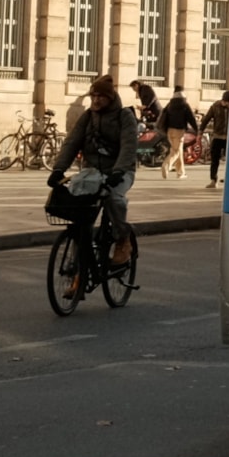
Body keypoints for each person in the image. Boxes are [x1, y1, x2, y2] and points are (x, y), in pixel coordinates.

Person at [49, 74, 139, 294]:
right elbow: (72, 142)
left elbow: (129, 146)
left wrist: (118, 171)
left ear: (110, 97)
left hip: (120, 171)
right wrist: (58, 169)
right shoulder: (88, 117)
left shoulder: (124, 116)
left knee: (114, 198)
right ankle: (79, 275)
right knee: (79, 215)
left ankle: (122, 238)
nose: (96, 100)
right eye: (93, 95)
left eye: (101, 96)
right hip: (91, 172)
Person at [159, 87, 198, 178]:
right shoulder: (184, 104)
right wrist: (196, 129)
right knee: (176, 152)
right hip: (179, 131)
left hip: (169, 130)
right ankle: (166, 165)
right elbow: (191, 118)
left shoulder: (170, 104)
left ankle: (180, 173)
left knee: (178, 150)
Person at [201, 91, 229, 185]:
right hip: (218, 136)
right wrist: (200, 131)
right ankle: (213, 179)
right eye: (225, 102)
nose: (226, 104)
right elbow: (206, 119)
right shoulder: (215, 106)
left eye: (228, 102)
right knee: (214, 159)